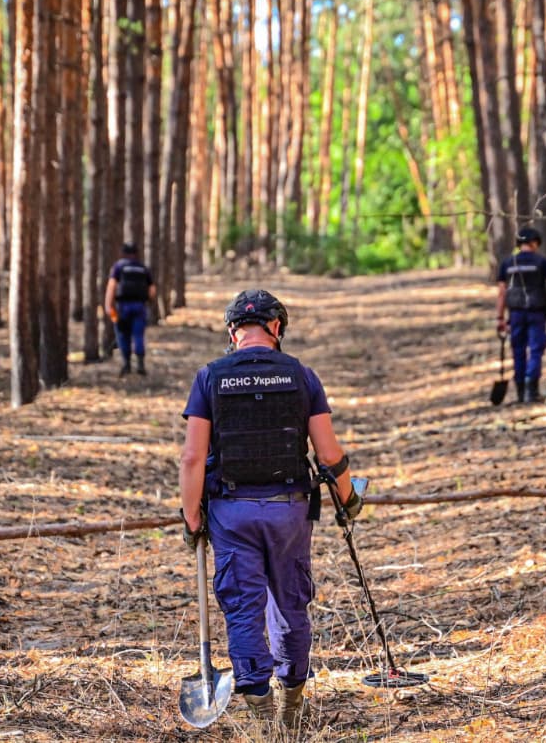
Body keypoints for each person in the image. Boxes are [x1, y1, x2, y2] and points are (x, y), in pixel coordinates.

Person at [178, 289, 361, 734]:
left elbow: (191, 459)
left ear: (232, 332)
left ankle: (260, 708)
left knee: (243, 608)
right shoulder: (301, 375)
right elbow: (329, 452)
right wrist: (347, 498)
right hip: (289, 510)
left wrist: (191, 520)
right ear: (277, 328)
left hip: (231, 511)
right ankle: (292, 702)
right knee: (290, 604)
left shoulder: (210, 377)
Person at [495, 227, 546, 403]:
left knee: (518, 350)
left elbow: (502, 293)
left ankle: (520, 391)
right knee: (535, 349)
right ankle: (530, 390)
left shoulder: (508, 263)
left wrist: (500, 318)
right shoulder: (541, 262)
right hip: (537, 312)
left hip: (516, 313)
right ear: (534, 243)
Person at [105, 242, 156, 375]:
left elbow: (112, 286)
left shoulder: (119, 267)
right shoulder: (143, 268)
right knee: (138, 335)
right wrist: (148, 302)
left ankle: (126, 364)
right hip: (140, 306)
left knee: (123, 335)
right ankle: (140, 364)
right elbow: (152, 290)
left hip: (123, 307)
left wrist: (108, 305)